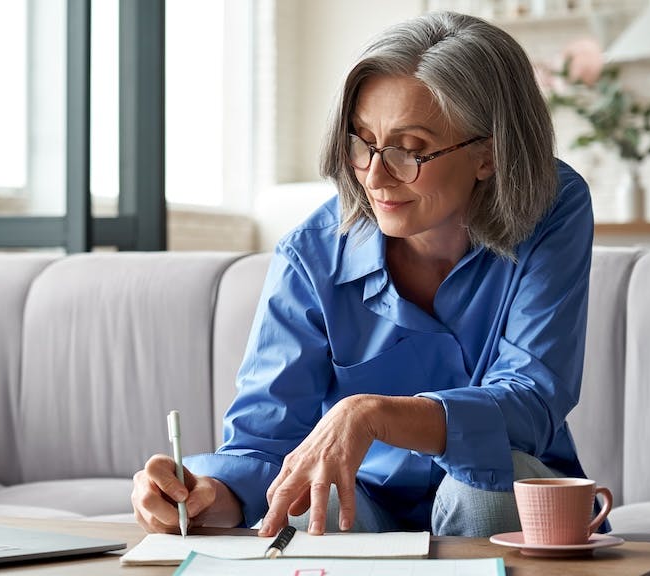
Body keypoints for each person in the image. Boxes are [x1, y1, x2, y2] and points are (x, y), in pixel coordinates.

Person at [131, 11, 599, 538]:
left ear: (487, 156)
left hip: (501, 494)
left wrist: (374, 414)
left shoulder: (551, 207)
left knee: (484, 481)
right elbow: (265, 444)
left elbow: (531, 398)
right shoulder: (310, 254)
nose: (374, 176)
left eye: (409, 150)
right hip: (366, 501)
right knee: (312, 501)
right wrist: (204, 495)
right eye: (361, 143)